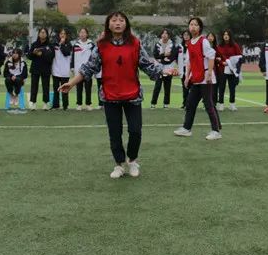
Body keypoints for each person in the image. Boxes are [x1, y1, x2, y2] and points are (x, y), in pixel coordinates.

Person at [58, 11, 178, 178]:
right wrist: (71, 83)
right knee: (115, 133)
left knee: (135, 131)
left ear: (126, 24)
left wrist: (165, 71)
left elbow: (147, 65)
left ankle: (132, 160)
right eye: (114, 20)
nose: (118, 23)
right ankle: (119, 164)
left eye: (121, 20)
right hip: (110, 96)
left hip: (133, 95)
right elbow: (89, 68)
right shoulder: (101, 45)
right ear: (108, 24)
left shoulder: (135, 43)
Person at [174, 17, 222, 139]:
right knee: (190, 103)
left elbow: (211, 56)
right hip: (196, 78)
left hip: (205, 77)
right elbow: (189, 61)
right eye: (191, 24)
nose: (193, 27)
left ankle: (216, 131)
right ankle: (187, 128)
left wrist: (209, 73)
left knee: (208, 104)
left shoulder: (203, 41)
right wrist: (187, 77)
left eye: (196, 24)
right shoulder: (190, 43)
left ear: (200, 27)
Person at [27, 28, 54, 110]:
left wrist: (41, 54)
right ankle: (33, 103)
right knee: (34, 86)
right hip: (35, 68)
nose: (42, 34)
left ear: (47, 34)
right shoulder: (34, 44)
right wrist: (34, 53)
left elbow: (51, 57)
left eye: (44, 32)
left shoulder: (50, 45)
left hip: (46, 69)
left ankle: (45, 103)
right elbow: (29, 56)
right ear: (38, 34)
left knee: (46, 87)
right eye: (41, 32)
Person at [150, 28, 178, 109]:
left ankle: (166, 103)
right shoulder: (157, 44)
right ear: (161, 35)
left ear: (169, 35)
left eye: (166, 33)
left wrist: (162, 58)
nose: (164, 35)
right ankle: (153, 103)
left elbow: (173, 56)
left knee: (167, 86)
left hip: (169, 67)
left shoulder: (172, 45)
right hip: (159, 68)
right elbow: (155, 55)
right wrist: (164, 55)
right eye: (163, 33)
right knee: (157, 86)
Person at [216, 30, 243, 112]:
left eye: (227, 34)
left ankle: (232, 104)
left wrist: (234, 64)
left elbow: (239, 57)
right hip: (222, 69)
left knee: (232, 87)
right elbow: (216, 58)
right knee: (221, 87)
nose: (226, 36)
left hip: (232, 70)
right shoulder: (219, 46)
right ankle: (221, 104)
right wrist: (222, 62)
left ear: (230, 36)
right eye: (224, 34)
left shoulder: (235, 45)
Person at [73, 27, 96, 111]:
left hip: (88, 70)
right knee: (79, 88)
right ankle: (79, 104)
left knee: (88, 88)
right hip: (78, 70)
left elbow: (94, 57)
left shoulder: (91, 45)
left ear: (87, 34)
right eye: (81, 32)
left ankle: (88, 104)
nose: (82, 34)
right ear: (79, 34)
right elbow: (73, 57)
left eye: (84, 32)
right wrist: (72, 67)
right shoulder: (76, 45)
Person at [51, 28, 73, 111]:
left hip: (65, 71)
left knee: (65, 89)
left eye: (64, 34)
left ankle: (65, 106)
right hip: (55, 70)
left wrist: (62, 44)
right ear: (58, 35)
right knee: (56, 89)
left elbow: (66, 53)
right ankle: (55, 105)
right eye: (61, 33)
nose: (62, 35)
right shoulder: (54, 44)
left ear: (66, 35)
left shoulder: (69, 44)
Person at [177, 31, 191, 109]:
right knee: (184, 87)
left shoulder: (193, 44)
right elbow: (174, 56)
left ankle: (191, 103)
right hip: (183, 68)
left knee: (192, 87)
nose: (186, 36)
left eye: (188, 35)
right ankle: (185, 103)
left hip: (191, 68)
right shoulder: (180, 46)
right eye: (184, 35)